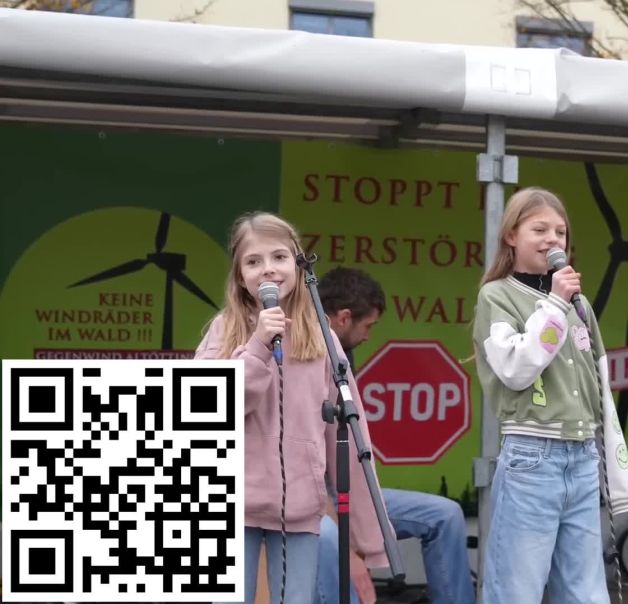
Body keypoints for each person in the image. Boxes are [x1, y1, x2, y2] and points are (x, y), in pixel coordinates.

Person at [195, 211, 393, 604]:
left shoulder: (323, 339)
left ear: (299, 266)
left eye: (279, 257)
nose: (268, 269)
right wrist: (256, 347)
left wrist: (369, 538)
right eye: (253, 261)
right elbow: (207, 411)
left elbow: (351, 435)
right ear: (239, 275)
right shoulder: (224, 329)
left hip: (299, 512)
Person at [471, 186, 628, 603]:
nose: (553, 240)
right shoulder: (498, 295)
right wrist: (556, 304)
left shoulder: (577, 304)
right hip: (532, 452)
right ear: (511, 234)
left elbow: (598, 386)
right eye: (539, 228)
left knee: (586, 592)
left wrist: (610, 461)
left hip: (581, 454)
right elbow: (515, 368)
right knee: (517, 588)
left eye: (561, 232)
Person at [313, 266, 477, 604]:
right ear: (343, 318)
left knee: (445, 515)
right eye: (368, 325)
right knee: (333, 546)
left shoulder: (344, 355)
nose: (369, 335)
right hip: (309, 499)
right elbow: (305, 472)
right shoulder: (306, 356)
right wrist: (352, 546)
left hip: (347, 491)